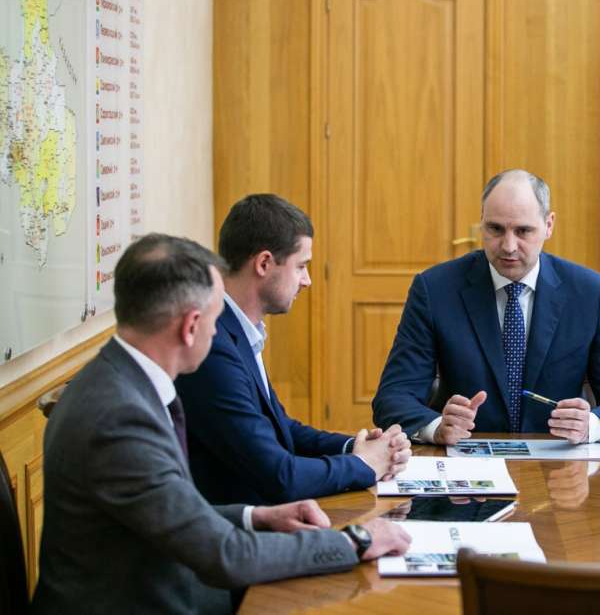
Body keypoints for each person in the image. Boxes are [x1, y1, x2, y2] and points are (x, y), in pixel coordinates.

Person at [32, 234, 410, 614]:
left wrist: (256, 516)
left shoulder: (120, 379)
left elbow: (171, 511)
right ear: (191, 326)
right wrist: (354, 540)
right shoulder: (120, 419)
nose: (218, 334)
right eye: (215, 321)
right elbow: (226, 555)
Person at [372, 169, 600, 445]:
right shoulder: (435, 289)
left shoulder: (589, 293)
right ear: (482, 222)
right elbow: (393, 398)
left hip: (558, 460)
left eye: (523, 231)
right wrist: (437, 428)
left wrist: (590, 425)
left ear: (549, 225)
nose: (508, 246)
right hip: (467, 457)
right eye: (495, 229)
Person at [175, 195, 411, 505]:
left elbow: (280, 429)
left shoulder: (238, 329)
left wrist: (358, 446)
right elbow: (280, 476)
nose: (307, 281)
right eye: (301, 266)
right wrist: (364, 464)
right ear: (264, 263)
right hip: (244, 521)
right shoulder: (214, 345)